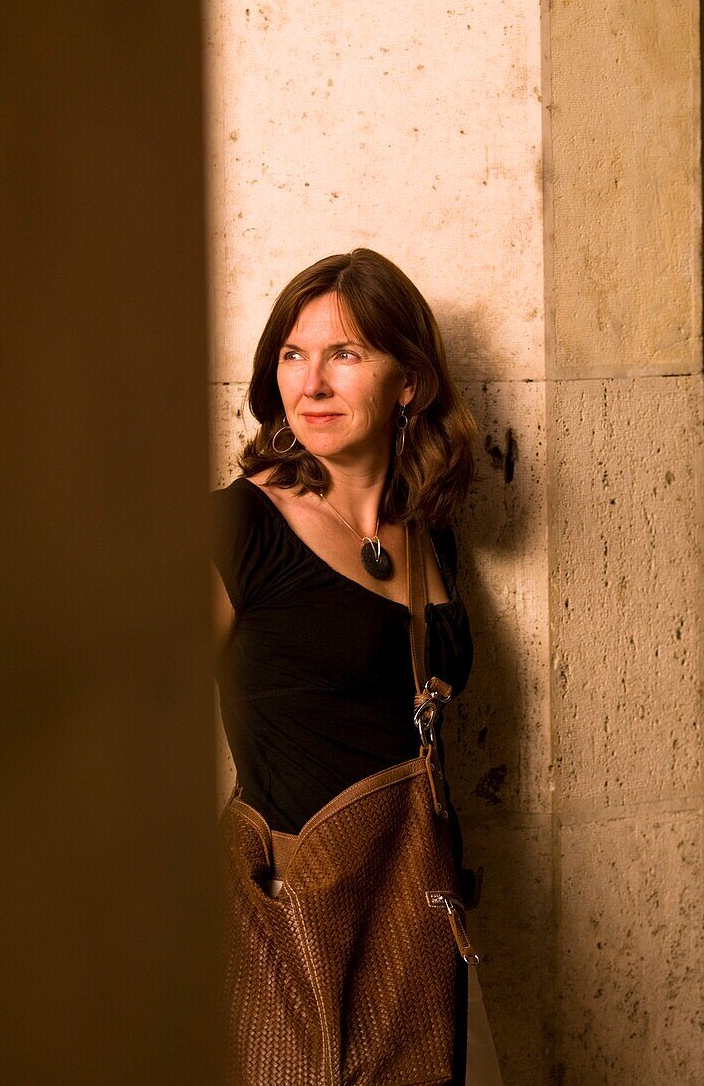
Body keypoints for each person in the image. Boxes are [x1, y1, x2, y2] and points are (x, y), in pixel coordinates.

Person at [210, 248, 503, 1084]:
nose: (312, 384)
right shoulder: (238, 528)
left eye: (344, 354)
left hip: (412, 916)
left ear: (407, 382)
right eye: (293, 356)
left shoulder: (427, 529)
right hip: (293, 925)